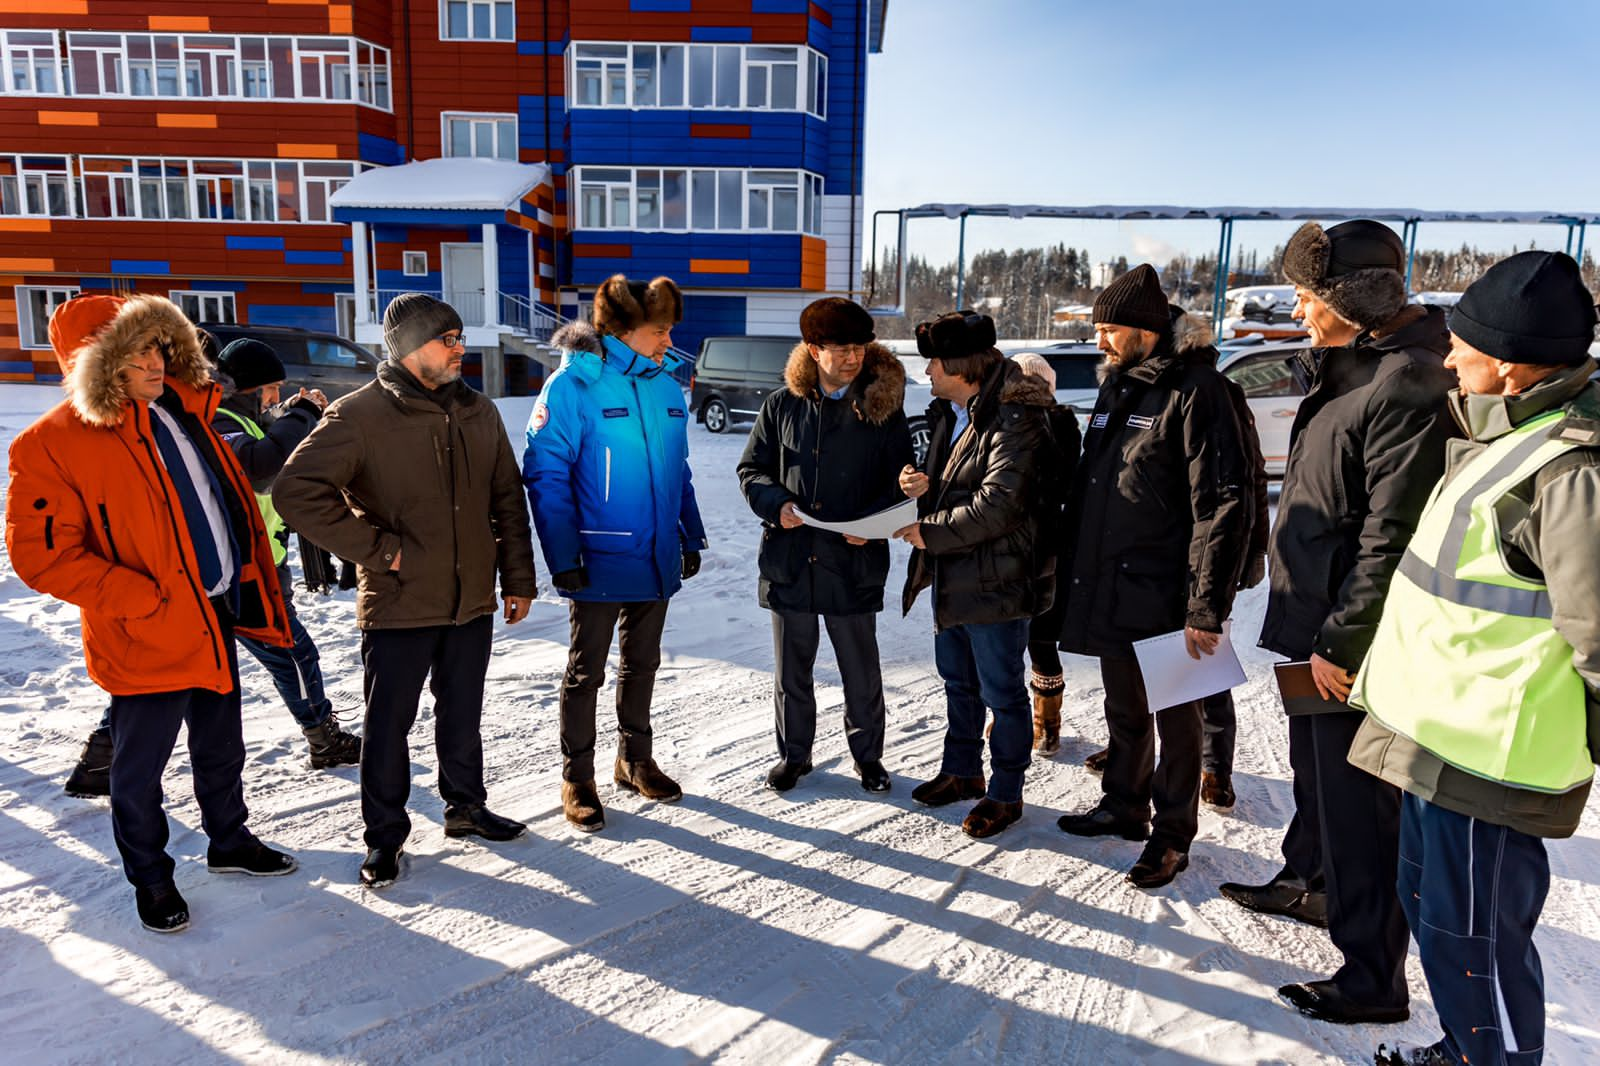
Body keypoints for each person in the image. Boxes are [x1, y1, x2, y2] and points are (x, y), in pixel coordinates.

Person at [1350, 252, 1600, 1066]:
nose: (1449, 359)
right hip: (1442, 741)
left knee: (1476, 941)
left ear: (1512, 361)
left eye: (1462, 346)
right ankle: (1465, 1048)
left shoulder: (1571, 471)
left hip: (1491, 760)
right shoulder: (1513, 438)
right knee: (1436, 917)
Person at [5, 294, 298, 933]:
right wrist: (140, 599)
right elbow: (41, 557)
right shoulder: (50, 443)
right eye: (138, 348)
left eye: (162, 345)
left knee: (222, 746)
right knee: (138, 770)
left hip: (216, 610)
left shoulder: (185, 412)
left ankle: (229, 841)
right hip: (145, 630)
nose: (157, 360)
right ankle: (153, 878)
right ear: (99, 361)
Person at [1223, 220, 1456, 1025]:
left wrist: (1343, 641)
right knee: (1314, 779)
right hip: (1311, 620)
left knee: (1361, 811)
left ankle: (1372, 979)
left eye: (1307, 295)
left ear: (1352, 299)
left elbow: (1390, 533)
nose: (1297, 308)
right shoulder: (1349, 368)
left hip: (1348, 642)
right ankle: (1309, 882)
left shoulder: (1408, 380)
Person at [273, 294, 538, 889]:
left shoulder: (479, 411)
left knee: (462, 712)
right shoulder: (360, 415)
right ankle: (384, 838)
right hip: (398, 602)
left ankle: (466, 807)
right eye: (448, 339)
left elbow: (506, 501)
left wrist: (518, 578)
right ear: (409, 345)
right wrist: (380, 550)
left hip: (470, 598)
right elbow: (296, 491)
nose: (459, 348)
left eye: (460, 337)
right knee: (388, 724)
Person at [1055, 265, 1252, 889]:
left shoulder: (1200, 391)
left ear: (1145, 330)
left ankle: (1172, 835)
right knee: (1125, 709)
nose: (1100, 343)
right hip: (1115, 584)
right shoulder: (1120, 390)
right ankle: (1123, 805)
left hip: (1170, 591)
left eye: (1110, 330)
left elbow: (1222, 504)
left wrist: (1206, 606)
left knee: (1178, 718)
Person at [523, 274, 708, 833]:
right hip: (597, 556)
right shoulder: (573, 385)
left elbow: (678, 469)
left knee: (644, 663)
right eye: (659, 328)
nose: (669, 336)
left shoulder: (664, 385)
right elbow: (545, 476)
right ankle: (577, 777)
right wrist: (562, 557)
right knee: (587, 672)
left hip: (655, 554)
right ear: (624, 330)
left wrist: (688, 534)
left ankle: (634, 760)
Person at [737, 297, 913, 793]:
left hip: (852, 559)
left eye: (860, 347)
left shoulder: (882, 408)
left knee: (861, 671)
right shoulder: (781, 405)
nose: (853, 357)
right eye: (841, 349)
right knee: (792, 671)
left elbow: (898, 483)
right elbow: (752, 471)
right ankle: (795, 756)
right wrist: (776, 505)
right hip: (789, 559)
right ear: (814, 351)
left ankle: (869, 758)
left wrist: (874, 522)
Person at [895, 310, 1055, 839]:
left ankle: (1005, 793)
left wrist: (931, 531)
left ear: (960, 365)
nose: (928, 375)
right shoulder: (956, 413)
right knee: (957, 684)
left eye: (934, 364)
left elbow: (1000, 505)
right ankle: (962, 771)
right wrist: (921, 485)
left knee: (1003, 696)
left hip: (998, 584)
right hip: (956, 575)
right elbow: (959, 485)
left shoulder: (1016, 416)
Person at [1007, 352, 1081, 756]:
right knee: (1021, 639)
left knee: (1037, 638)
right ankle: (1025, 718)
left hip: (1044, 547)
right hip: (1029, 545)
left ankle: (1045, 723)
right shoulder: (1054, 422)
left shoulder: (1057, 424)